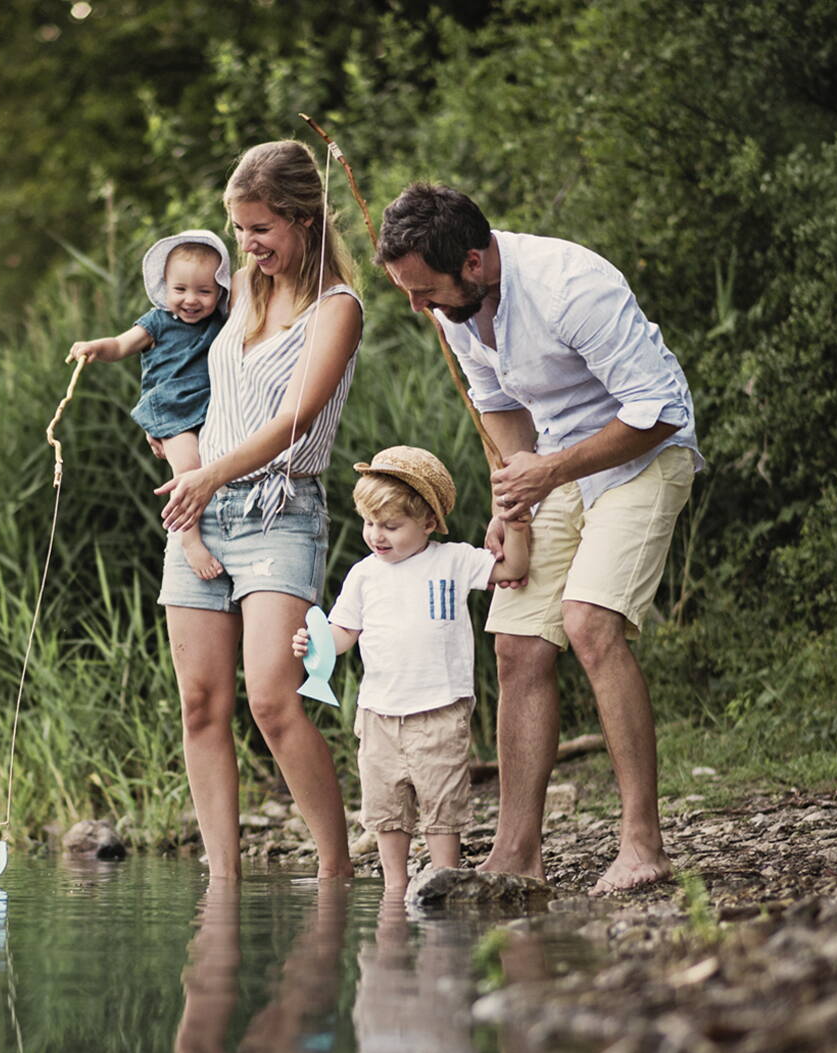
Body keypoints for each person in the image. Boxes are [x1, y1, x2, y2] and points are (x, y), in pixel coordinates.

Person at [375, 182, 703, 894]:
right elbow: (499, 408)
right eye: (407, 292)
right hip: (555, 466)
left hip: (644, 456)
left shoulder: (569, 286)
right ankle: (516, 855)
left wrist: (548, 470)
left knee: (588, 623)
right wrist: (512, 494)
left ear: (473, 261)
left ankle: (642, 844)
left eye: (425, 290)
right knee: (518, 642)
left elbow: (661, 411)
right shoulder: (453, 309)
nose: (418, 307)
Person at [155, 140, 364, 880]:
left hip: (281, 510)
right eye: (241, 230)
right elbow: (171, 383)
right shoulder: (236, 288)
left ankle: (336, 870)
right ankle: (223, 881)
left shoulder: (338, 308)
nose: (247, 245)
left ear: (304, 220)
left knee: (275, 699)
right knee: (200, 704)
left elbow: (297, 422)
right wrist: (188, 473)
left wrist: (208, 475)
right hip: (200, 512)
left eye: (262, 229)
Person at [291, 446, 529, 895]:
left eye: (391, 526)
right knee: (385, 808)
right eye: (369, 523)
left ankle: (444, 881)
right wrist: (313, 643)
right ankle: (394, 890)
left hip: (440, 709)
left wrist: (516, 525)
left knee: (442, 803)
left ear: (428, 523)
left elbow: (513, 567)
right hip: (380, 714)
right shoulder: (364, 574)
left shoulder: (453, 560)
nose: (377, 536)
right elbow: (343, 633)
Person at [68, 230, 232, 578]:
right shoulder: (158, 321)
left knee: (216, 464)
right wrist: (96, 348)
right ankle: (188, 539)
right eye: (180, 290)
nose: (191, 300)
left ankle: (220, 527)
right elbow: (120, 344)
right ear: (164, 286)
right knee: (188, 469)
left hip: (210, 409)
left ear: (219, 290)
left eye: (204, 291)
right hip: (172, 409)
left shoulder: (221, 324)